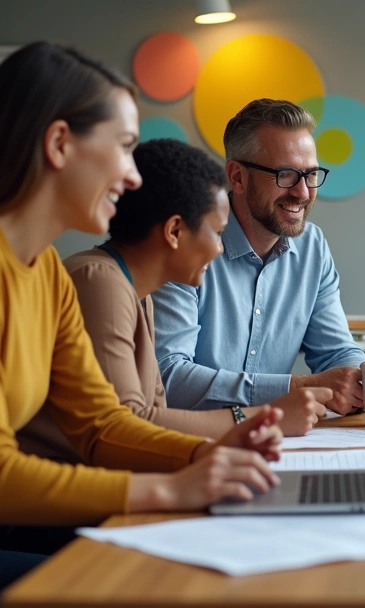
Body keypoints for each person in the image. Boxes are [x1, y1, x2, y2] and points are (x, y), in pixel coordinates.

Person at [0, 43, 284, 608]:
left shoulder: (41, 265)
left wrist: (206, 455)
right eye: (123, 147)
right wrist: (172, 485)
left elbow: (99, 424)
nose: (130, 175)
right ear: (60, 144)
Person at [19, 139, 332, 472]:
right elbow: (127, 430)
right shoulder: (99, 282)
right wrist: (267, 418)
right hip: (56, 500)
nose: (218, 250)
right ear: (174, 231)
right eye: (217, 233)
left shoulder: (135, 291)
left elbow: (155, 413)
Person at [153, 99, 365, 417]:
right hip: (194, 447)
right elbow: (168, 378)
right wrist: (294, 388)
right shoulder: (185, 243)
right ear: (237, 177)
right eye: (286, 174)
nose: (302, 192)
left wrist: (360, 377)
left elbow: (336, 351)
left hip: (278, 443)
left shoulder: (312, 247)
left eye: (311, 174)